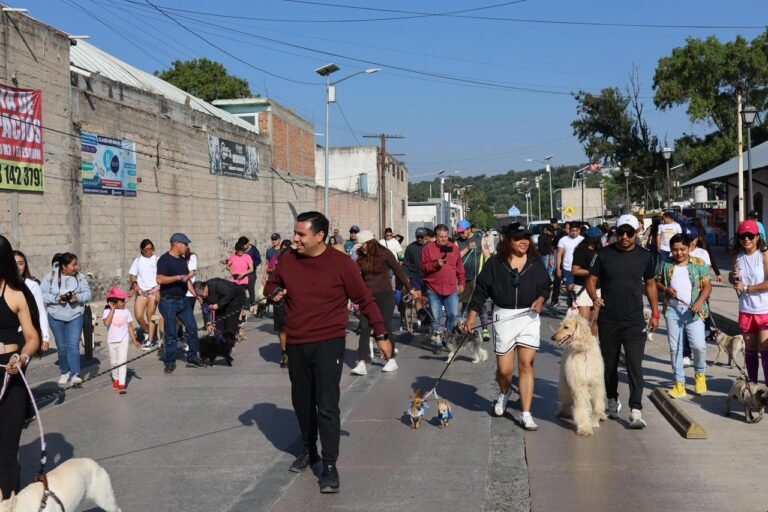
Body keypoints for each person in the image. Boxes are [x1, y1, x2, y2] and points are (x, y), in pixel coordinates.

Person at [264, 211, 389, 494]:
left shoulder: (341, 263)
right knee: (302, 401)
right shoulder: (287, 260)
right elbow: (271, 285)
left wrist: (381, 333)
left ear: (319, 237)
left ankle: (330, 466)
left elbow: (364, 299)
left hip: (328, 342)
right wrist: (274, 293)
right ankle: (310, 449)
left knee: (327, 404)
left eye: (301, 235)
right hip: (296, 342)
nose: (295, 239)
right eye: (295, 233)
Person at [465, 224, 550, 431]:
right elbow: (481, 290)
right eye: (518, 238)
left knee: (526, 366)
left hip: (529, 317)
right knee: (505, 371)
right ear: (507, 241)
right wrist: (472, 316)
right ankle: (504, 393)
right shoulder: (495, 263)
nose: (524, 242)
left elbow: (546, 286)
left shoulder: (535, 262)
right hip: (503, 317)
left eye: (526, 238)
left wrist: (541, 299)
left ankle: (526, 413)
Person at [587, 215, 660, 429]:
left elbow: (650, 285)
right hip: (609, 319)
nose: (625, 237)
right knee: (609, 366)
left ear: (637, 233)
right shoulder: (603, 255)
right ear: (615, 233)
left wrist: (655, 313)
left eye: (630, 233)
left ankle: (636, 410)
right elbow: (591, 281)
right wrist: (594, 297)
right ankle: (611, 399)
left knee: (634, 365)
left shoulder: (645, 256)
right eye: (621, 232)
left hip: (634, 320)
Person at [0, 235, 42, 498]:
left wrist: (22, 358)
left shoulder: (16, 294)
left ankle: (8, 500)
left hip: (9, 371)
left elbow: (32, 337)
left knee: (6, 446)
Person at [655, 234, 711, 398]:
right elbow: (656, 281)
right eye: (675, 250)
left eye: (682, 249)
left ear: (689, 248)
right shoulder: (666, 264)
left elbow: (707, 286)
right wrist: (665, 290)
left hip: (694, 312)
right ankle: (679, 383)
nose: (679, 253)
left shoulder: (699, 264)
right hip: (673, 312)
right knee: (675, 348)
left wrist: (699, 302)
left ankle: (700, 374)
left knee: (698, 346)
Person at [350, 230, 413, 375]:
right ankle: (362, 363)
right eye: (360, 246)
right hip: (367, 297)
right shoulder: (360, 257)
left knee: (385, 326)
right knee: (365, 327)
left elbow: (399, 271)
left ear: (370, 243)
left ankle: (391, 360)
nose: (361, 248)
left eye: (363, 245)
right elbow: (353, 276)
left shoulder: (385, 254)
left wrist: (410, 289)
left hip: (385, 295)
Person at [41, 252, 92, 386]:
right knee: (62, 347)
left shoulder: (80, 277)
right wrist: (57, 299)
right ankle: (65, 371)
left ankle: (75, 374)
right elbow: (42, 295)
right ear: (64, 266)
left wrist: (78, 298)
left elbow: (88, 294)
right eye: (73, 265)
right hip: (55, 317)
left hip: (75, 315)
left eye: (76, 264)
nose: (76, 267)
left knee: (73, 345)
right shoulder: (50, 277)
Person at [156, 233, 204, 373]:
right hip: (168, 301)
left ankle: (192, 356)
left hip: (183, 300)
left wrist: (196, 295)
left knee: (192, 328)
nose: (187, 247)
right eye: (185, 244)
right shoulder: (164, 260)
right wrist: (177, 277)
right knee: (171, 331)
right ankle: (170, 361)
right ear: (177, 244)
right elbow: (159, 279)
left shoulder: (183, 261)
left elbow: (187, 280)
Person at [730, 219, 768, 384]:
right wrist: (733, 279)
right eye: (742, 236)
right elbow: (735, 280)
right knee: (750, 350)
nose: (746, 239)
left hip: (764, 309)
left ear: (757, 236)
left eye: (750, 235)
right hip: (746, 309)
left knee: (765, 350)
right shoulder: (738, 257)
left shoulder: (764, 255)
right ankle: (752, 386)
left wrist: (746, 288)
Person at [421, 224, 465, 354]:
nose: (444, 239)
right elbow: (423, 267)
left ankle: (447, 336)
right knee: (436, 318)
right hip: (433, 289)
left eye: (446, 237)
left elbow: (459, 266)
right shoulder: (428, 249)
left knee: (452, 314)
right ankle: (438, 343)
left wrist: (461, 281)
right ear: (435, 237)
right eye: (441, 237)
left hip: (451, 288)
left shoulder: (454, 248)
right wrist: (436, 264)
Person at [102, 287, 141, 394]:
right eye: (121, 301)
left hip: (123, 340)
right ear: (114, 302)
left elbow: (129, 327)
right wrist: (112, 310)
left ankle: (122, 384)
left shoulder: (126, 312)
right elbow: (106, 324)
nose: (124, 302)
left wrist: (134, 340)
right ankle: (116, 378)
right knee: (114, 362)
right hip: (112, 341)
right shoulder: (107, 311)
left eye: (124, 300)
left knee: (122, 362)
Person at [194, 278, 247, 348]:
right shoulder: (201, 296)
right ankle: (221, 341)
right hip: (220, 302)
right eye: (200, 296)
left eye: (203, 294)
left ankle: (229, 344)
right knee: (218, 322)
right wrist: (208, 322)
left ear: (205, 287)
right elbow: (205, 309)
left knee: (230, 320)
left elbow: (230, 293)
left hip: (236, 298)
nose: (203, 297)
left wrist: (219, 304)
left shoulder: (217, 284)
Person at [14, 251, 49, 352]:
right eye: (13, 263)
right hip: (5, 335)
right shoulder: (3, 286)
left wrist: (45, 337)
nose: (17, 267)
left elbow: (41, 312)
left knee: (19, 365)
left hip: (24, 334)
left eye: (21, 263)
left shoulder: (32, 286)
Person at [570, 227, 603, 334]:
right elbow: (575, 271)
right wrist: (594, 272)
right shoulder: (580, 251)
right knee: (584, 323)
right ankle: (582, 348)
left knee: (594, 322)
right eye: (598, 238)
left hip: (597, 288)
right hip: (582, 288)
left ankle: (593, 347)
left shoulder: (599, 251)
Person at [128, 239, 159, 350]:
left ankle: (150, 340)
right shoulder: (138, 260)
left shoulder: (157, 259)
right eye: (147, 249)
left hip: (153, 290)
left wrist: (159, 290)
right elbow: (132, 275)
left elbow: (161, 275)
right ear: (142, 250)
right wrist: (135, 284)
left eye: (151, 248)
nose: (149, 251)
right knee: (139, 316)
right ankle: (148, 331)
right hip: (141, 291)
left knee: (150, 315)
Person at [270, 239, 293, 368]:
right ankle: (284, 352)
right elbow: (271, 285)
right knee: (282, 328)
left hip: (295, 303)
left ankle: (293, 351)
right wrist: (275, 292)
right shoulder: (278, 269)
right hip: (280, 301)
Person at [556, 222, 583, 306]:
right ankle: (570, 305)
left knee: (579, 290)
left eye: (576, 230)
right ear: (569, 230)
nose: (574, 232)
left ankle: (578, 307)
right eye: (572, 230)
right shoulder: (563, 240)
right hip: (567, 268)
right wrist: (558, 269)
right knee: (570, 289)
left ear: (579, 230)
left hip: (580, 268)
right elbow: (559, 255)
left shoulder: (583, 239)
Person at [239, 236, 262, 307]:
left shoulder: (254, 250)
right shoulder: (241, 249)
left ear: (247, 243)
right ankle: (242, 303)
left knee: (250, 287)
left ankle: (252, 302)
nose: (243, 247)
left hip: (251, 272)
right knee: (241, 288)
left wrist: (250, 265)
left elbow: (258, 260)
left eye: (244, 245)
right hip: (242, 272)